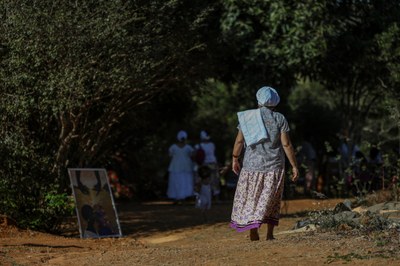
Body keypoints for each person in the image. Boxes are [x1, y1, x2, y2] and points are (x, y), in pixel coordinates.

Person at [230, 86, 299, 241]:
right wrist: (294, 165)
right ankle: (270, 233)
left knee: (252, 198)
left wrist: (235, 157)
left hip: (251, 167)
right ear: (275, 101)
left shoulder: (247, 117)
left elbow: (239, 140)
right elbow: (286, 144)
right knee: (271, 199)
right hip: (273, 167)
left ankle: (253, 228)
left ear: (258, 99)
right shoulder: (279, 118)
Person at [167, 130, 195, 203]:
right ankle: (181, 197)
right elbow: (192, 156)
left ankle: (178, 198)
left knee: (177, 182)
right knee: (184, 182)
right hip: (184, 167)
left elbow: (170, 156)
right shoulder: (188, 147)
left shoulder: (174, 147)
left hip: (177, 166)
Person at [195, 130, 221, 202]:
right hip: (212, 164)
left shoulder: (198, 146)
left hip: (203, 165)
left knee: (202, 182)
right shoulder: (212, 145)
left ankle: (200, 199)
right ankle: (216, 199)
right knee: (214, 182)